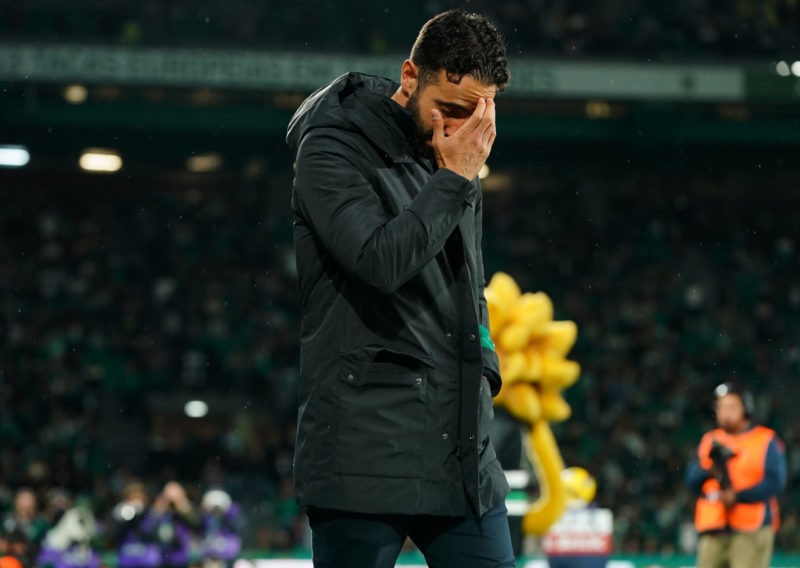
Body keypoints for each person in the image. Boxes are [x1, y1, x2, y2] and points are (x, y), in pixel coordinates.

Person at [286, 9, 514, 568]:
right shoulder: (331, 149)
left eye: (479, 112)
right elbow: (379, 260)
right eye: (452, 108)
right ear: (410, 77)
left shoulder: (454, 160)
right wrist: (455, 179)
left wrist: (486, 371)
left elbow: (470, 284)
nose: (462, 128)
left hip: (459, 451)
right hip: (364, 450)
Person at [686, 382, 787, 568]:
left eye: (732, 407)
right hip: (714, 527)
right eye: (722, 407)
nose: (726, 413)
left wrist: (738, 496)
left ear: (746, 409)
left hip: (751, 528)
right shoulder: (710, 440)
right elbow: (691, 480)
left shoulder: (764, 440)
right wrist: (711, 470)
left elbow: (775, 483)